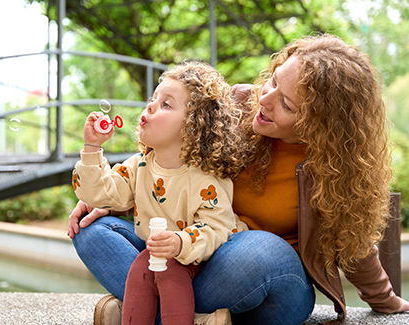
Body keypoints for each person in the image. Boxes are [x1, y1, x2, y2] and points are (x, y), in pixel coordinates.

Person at [68, 34, 409, 325]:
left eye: (286, 105)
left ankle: (142, 310)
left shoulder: (334, 168)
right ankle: (194, 317)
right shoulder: (236, 105)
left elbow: (356, 243)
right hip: (188, 255)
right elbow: (166, 163)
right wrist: (108, 198)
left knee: (258, 249)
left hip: (267, 282)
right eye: (274, 80)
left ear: (319, 125)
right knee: (90, 229)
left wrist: (387, 301)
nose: (265, 99)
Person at [71, 60, 246, 325]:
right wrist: (92, 148)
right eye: (153, 99)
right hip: (156, 252)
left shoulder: (205, 177)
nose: (150, 106)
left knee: (170, 270)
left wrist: (180, 242)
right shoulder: (140, 163)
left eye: (166, 104)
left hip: (204, 258)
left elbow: (217, 227)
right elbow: (102, 193)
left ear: (193, 126)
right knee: (143, 267)